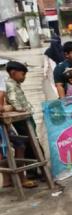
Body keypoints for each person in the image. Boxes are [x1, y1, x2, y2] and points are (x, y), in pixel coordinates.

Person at [3, 61, 37, 189]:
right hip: (18, 120)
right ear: (13, 73)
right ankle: (24, 176)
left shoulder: (12, 84)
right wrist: (19, 109)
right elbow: (12, 100)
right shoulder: (9, 85)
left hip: (17, 119)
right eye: (23, 74)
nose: (24, 77)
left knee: (21, 145)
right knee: (23, 144)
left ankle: (12, 179)